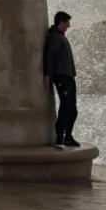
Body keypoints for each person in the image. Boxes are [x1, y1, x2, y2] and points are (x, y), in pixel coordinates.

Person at [43, 11, 80, 148]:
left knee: (72, 108)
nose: (69, 25)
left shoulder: (61, 36)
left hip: (68, 76)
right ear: (62, 22)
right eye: (68, 22)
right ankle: (60, 135)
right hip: (61, 76)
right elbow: (49, 56)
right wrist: (47, 75)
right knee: (66, 106)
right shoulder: (54, 37)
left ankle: (68, 135)